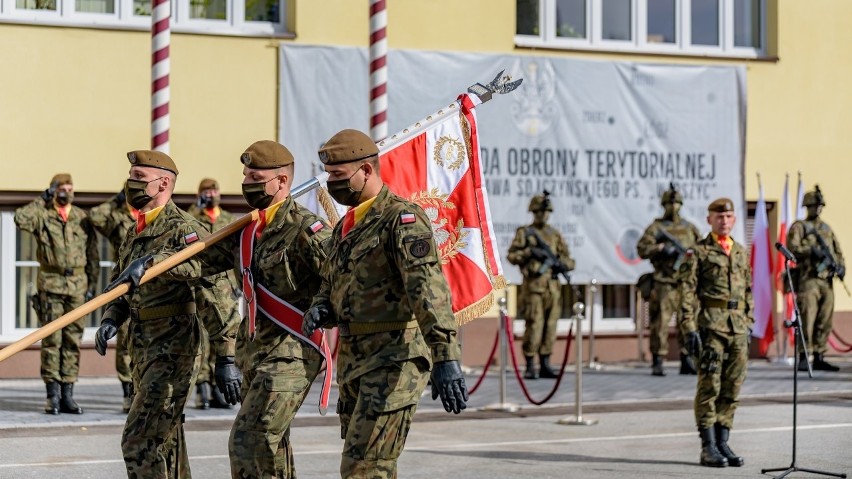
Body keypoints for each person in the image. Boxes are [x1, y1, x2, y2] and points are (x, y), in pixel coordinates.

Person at [303, 128, 468, 478]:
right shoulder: (346, 226)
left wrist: (446, 357)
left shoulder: (401, 220)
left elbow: (428, 290)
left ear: (366, 170)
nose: (331, 183)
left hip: (394, 360)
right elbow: (333, 281)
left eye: (338, 175)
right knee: (369, 466)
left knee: (364, 468)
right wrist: (322, 306)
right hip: (356, 361)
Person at [93, 150, 239, 478]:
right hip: (143, 349)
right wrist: (111, 318)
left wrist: (226, 356)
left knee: (139, 440)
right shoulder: (135, 231)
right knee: (166, 439)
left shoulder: (184, 229)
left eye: (139, 178)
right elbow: (120, 284)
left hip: (173, 350)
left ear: (162, 184)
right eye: (130, 176)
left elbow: (215, 292)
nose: (131, 183)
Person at [198, 140, 332, 478]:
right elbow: (198, 262)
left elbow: (343, 274)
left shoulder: (305, 228)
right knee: (272, 443)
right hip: (254, 353)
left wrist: (323, 304)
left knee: (251, 441)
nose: (247, 183)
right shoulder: (247, 231)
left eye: (255, 176)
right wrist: (149, 264)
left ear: (282, 182)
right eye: (245, 176)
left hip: (292, 354)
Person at [14, 173, 99, 415]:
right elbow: (20, 219)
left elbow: (92, 254)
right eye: (61, 188)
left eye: (69, 187)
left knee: (72, 340)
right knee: (52, 340)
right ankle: (52, 395)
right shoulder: (43, 214)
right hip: (50, 284)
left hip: (77, 286)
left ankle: (68, 395)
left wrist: (92, 285)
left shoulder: (82, 218)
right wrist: (43, 198)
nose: (66, 192)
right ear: (54, 190)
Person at [679, 197, 751, 468]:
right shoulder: (697, 252)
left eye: (729, 216)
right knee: (710, 386)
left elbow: (748, 292)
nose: (724, 221)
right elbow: (686, 292)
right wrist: (688, 328)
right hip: (711, 327)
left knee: (733, 387)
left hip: (738, 328)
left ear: (734, 219)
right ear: (709, 219)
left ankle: (723, 441)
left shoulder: (741, 252)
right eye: (718, 216)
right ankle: (707, 446)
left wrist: (749, 321)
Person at [506, 190, 575, 379]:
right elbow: (511, 256)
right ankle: (530, 364)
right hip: (533, 288)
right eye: (538, 212)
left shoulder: (555, 235)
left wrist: (561, 264)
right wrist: (529, 253)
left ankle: (545, 363)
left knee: (550, 326)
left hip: (552, 288)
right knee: (534, 325)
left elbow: (569, 260)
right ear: (533, 212)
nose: (542, 215)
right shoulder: (525, 233)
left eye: (545, 212)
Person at [187, 177, 242, 409]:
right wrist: (195, 208)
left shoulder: (229, 220)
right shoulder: (191, 218)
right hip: (199, 287)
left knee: (223, 338)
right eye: (206, 191)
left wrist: (240, 282)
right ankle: (202, 389)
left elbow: (238, 253)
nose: (211, 194)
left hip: (225, 288)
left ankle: (218, 390)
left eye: (214, 190)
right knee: (201, 340)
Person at [637, 183, 702, 376]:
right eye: (669, 204)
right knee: (660, 323)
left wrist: (690, 255)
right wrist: (660, 249)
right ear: (663, 205)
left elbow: (701, 250)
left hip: (685, 283)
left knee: (687, 320)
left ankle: (686, 359)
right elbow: (642, 249)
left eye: (676, 204)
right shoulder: (656, 228)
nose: (673, 207)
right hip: (663, 282)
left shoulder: (690, 228)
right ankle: (658, 359)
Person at [787, 185, 845, 372]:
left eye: (820, 205)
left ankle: (819, 355)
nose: (817, 209)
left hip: (826, 281)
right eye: (814, 205)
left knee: (824, 319)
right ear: (807, 206)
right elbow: (792, 249)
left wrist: (840, 266)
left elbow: (836, 250)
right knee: (807, 318)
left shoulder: (826, 228)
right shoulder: (800, 227)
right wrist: (811, 251)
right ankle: (804, 356)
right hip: (808, 279)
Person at [89, 187, 137, 413]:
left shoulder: (153, 215)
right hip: (124, 283)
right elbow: (95, 216)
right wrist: (115, 201)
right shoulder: (117, 216)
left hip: (150, 282)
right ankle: (127, 392)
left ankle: (140, 390)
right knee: (125, 342)